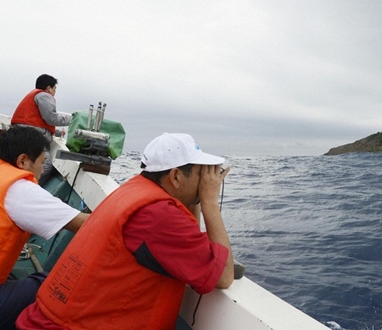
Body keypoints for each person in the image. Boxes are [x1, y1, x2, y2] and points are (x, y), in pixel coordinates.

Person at [17, 133, 234, 329]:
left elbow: (188, 249)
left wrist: (194, 197)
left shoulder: (136, 191)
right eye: (201, 173)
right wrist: (209, 202)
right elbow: (223, 276)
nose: (208, 180)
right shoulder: (158, 215)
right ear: (176, 177)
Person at [0, 126, 89, 330]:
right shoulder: (19, 189)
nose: (42, 171)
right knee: (52, 284)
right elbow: (83, 224)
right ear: (22, 161)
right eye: (42, 163)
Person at [11, 74, 72, 184]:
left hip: (22, 133)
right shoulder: (44, 96)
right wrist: (73, 120)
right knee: (46, 163)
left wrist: (56, 132)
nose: (54, 92)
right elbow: (51, 118)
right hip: (29, 136)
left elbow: (37, 121)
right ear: (49, 88)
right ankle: (29, 186)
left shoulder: (35, 95)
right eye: (55, 89)